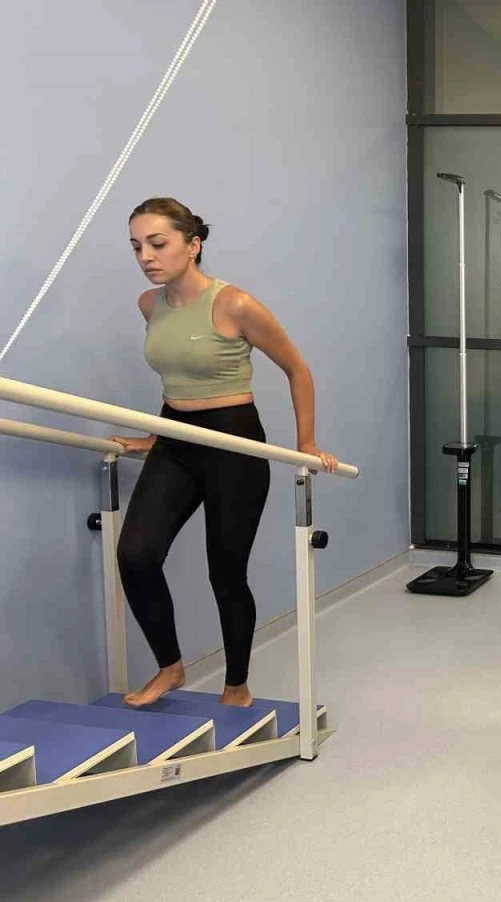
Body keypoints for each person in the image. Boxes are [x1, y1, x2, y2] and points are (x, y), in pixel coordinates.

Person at [111, 197, 336, 710]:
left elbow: (297, 369)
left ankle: (237, 684)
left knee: (226, 573)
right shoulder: (149, 305)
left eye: (157, 243)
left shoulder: (234, 304)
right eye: (137, 247)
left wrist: (305, 444)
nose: (146, 256)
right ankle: (170, 667)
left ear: (193, 245)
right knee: (136, 554)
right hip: (175, 440)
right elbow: (179, 377)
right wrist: (157, 435)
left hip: (233, 445)